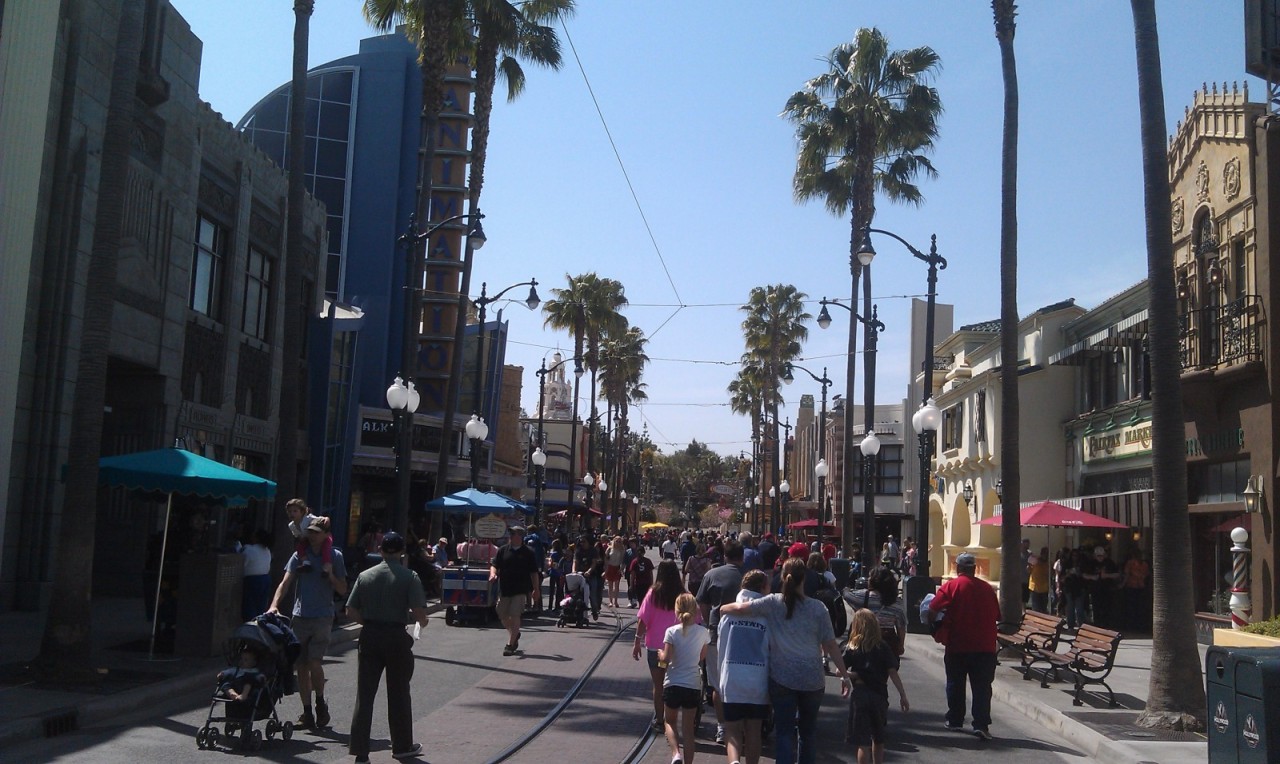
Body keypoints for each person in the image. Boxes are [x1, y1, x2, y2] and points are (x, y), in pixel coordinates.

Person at [720, 557, 853, 764]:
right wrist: (844, 675)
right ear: (805, 578)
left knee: (784, 733)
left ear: (783, 577)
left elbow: (739, 609)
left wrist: (722, 609)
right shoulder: (818, 608)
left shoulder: (773, 602)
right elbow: (831, 645)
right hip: (812, 680)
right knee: (808, 734)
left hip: (782, 679)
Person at [345, 531, 429, 764]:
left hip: (370, 635)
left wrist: (369, 623)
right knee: (399, 692)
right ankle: (402, 746)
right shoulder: (409, 576)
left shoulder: (365, 576)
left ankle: (361, 752)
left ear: (380, 550)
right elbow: (420, 612)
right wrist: (422, 622)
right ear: (402, 552)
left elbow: (350, 610)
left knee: (365, 694)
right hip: (395, 636)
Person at [268, 515, 347, 731]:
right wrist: (274, 605)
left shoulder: (335, 556)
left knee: (314, 663)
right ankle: (307, 712)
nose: (312, 535)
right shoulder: (299, 555)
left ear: (326, 535)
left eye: (316, 532)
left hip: (322, 616)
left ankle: (320, 702)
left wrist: (330, 576)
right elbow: (285, 582)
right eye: (310, 531)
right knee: (301, 666)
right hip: (300, 616)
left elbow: (342, 589)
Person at [926, 552, 999, 740]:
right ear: (974, 569)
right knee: (982, 688)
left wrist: (935, 626)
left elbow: (932, 609)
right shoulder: (988, 589)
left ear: (958, 568)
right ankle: (981, 724)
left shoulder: (951, 586)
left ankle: (956, 720)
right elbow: (998, 615)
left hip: (958, 645)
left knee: (955, 684)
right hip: (985, 647)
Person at [717, 570, 770, 764]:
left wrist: (721, 679)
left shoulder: (728, 616)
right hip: (757, 680)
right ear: (763, 588)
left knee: (732, 729)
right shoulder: (766, 617)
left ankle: (733, 762)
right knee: (754, 731)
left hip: (732, 678)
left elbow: (722, 650)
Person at [696, 539, 745, 747]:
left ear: (724, 555)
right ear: (742, 557)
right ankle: (739, 726)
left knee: (717, 685)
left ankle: (722, 726)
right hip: (743, 638)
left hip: (715, 635)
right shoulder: (749, 577)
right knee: (739, 683)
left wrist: (709, 623)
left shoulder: (711, 575)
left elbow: (702, 602)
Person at [842, 608, 909, 764]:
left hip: (860, 695)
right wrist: (903, 695)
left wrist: (856, 675)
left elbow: (840, 670)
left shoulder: (853, 646)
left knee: (862, 742)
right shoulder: (883, 647)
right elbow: (893, 672)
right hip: (879, 694)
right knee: (878, 739)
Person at [633, 560, 689, 731]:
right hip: (678, 648)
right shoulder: (684, 595)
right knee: (674, 683)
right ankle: (673, 718)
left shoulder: (653, 594)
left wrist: (637, 641)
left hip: (656, 647)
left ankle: (659, 719)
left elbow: (643, 620)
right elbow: (695, 619)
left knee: (658, 685)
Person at [659, 593, 711, 764]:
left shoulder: (671, 632)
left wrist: (660, 656)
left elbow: (665, 660)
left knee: (670, 721)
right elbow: (702, 657)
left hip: (673, 682)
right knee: (688, 730)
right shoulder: (704, 632)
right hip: (692, 684)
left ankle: (675, 754)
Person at [491, 525, 540, 656]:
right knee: (501, 613)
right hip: (505, 588)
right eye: (511, 534)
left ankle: (510, 645)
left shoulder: (528, 552)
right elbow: (495, 565)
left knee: (515, 614)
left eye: (514, 534)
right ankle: (515, 633)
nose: (511, 536)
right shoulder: (503, 550)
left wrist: (536, 590)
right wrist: (493, 574)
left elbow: (534, 573)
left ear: (520, 536)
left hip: (520, 589)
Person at [285, 499, 333, 574]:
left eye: (295, 511)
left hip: (324, 537)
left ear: (302, 512)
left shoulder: (308, 518)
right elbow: (299, 537)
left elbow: (324, 519)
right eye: (289, 511)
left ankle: (326, 569)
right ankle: (306, 563)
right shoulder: (291, 526)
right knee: (299, 548)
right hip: (308, 539)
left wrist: (327, 519)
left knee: (325, 550)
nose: (292, 514)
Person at [1083, 545, 1120, 627]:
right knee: (1096, 608)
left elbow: (1117, 574)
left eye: (1102, 556)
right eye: (1098, 556)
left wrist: (1107, 575)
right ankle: (1097, 624)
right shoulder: (1091, 563)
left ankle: (1107, 624)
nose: (1100, 557)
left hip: (1107, 589)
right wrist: (1092, 577)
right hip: (1095, 590)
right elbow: (1084, 575)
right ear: (1095, 556)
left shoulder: (1110, 563)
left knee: (1107, 607)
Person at [240, 529, 273, 621]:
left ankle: (250, 628)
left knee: (249, 607)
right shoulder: (267, 551)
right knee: (261, 607)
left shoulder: (249, 549)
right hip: (265, 579)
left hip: (252, 580)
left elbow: (242, 565)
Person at [1121, 548, 1150, 632]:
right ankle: (1138, 626)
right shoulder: (1144, 564)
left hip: (1132, 586)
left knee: (1131, 607)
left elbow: (1126, 575)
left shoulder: (1130, 563)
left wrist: (1122, 585)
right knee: (1139, 607)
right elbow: (1146, 575)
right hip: (1141, 586)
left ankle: (1131, 626)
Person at [628, 541, 656, 607]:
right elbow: (650, 573)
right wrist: (652, 584)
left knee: (640, 600)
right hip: (647, 583)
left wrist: (631, 585)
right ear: (644, 552)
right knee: (646, 599)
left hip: (638, 583)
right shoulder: (648, 561)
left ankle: (641, 612)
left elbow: (632, 574)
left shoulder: (634, 561)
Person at [1027, 547, 1051, 614]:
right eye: (1044, 553)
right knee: (1036, 608)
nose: (1045, 555)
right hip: (1035, 587)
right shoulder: (1035, 561)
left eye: (1047, 554)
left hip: (1044, 588)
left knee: (1043, 608)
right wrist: (1029, 566)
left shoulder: (1048, 563)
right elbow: (1029, 570)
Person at [605, 535, 626, 608]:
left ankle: (615, 601)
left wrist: (621, 569)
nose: (618, 543)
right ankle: (610, 601)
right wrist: (605, 570)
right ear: (614, 541)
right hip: (610, 567)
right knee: (610, 585)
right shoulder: (610, 549)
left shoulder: (622, 550)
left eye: (620, 541)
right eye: (617, 541)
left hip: (617, 568)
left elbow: (623, 561)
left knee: (616, 586)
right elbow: (606, 559)